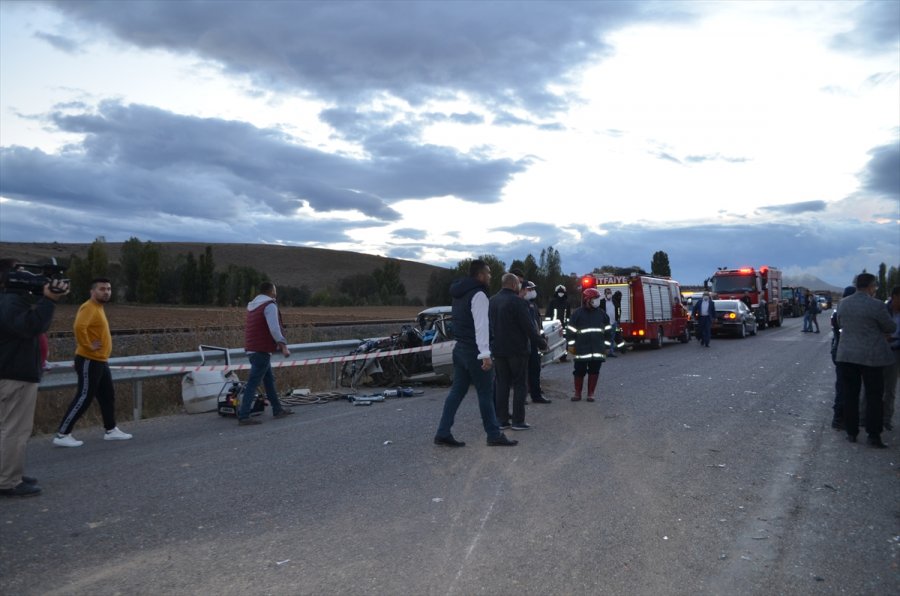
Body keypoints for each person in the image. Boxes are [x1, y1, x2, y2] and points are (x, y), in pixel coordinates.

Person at [0, 260, 69, 496]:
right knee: (14, 430)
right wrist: (49, 300)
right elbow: (33, 326)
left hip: (10, 372)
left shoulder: (9, 301)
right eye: (21, 273)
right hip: (14, 375)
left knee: (7, 428)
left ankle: (9, 473)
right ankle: (8, 481)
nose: (28, 276)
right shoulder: (9, 303)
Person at [434, 260, 517, 447]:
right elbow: (481, 327)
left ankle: (443, 431)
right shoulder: (479, 294)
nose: (490, 276)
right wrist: (485, 354)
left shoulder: (459, 293)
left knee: (456, 392)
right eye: (488, 273)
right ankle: (494, 434)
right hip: (475, 351)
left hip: (460, 349)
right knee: (485, 394)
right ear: (479, 275)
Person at [53, 278, 132, 447]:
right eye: (102, 289)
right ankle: (62, 434)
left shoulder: (98, 307)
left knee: (107, 395)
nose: (106, 292)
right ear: (92, 291)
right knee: (85, 396)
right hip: (89, 360)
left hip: (100, 360)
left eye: (109, 289)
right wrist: (88, 345)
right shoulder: (88, 307)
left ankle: (111, 430)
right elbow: (78, 327)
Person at [835, 273, 896, 448]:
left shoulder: (843, 303)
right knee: (874, 396)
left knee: (850, 395)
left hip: (846, 356)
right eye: (874, 286)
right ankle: (873, 435)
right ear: (871, 287)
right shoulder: (876, 305)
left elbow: (840, 324)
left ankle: (851, 432)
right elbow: (890, 327)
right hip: (872, 357)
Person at [490, 274, 546, 431]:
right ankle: (518, 420)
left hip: (498, 350)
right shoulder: (518, 302)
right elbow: (528, 327)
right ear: (515, 285)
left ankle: (501, 420)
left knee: (502, 385)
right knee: (520, 385)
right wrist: (541, 343)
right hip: (517, 350)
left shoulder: (492, 301)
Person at [237, 282, 294, 425]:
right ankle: (244, 416)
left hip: (253, 349)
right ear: (271, 292)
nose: (276, 293)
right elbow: (274, 329)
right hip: (261, 350)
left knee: (268, 381)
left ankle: (277, 409)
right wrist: (283, 345)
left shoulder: (253, 306)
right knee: (252, 383)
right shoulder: (269, 306)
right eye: (275, 290)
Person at [566, 287, 612, 402]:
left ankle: (591, 393)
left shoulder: (602, 314)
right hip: (581, 349)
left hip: (597, 349)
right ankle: (577, 393)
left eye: (597, 298)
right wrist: (571, 345)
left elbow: (608, 332)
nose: (597, 301)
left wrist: (606, 346)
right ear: (587, 300)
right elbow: (570, 331)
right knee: (579, 371)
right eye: (595, 298)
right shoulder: (577, 314)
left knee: (594, 371)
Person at [829, 286, 856, 430]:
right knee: (845, 386)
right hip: (845, 353)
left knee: (842, 385)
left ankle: (841, 417)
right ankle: (841, 418)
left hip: (839, 352)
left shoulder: (838, 311)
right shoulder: (846, 312)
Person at [521, 281, 551, 404]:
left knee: (535, 369)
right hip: (523, 342)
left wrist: (542, 337)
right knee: (522, 371)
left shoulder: (533, 305)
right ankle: (521, 397)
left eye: (533, 289)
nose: (532, 291)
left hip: (534, 342)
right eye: (530, 289)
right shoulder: (519, 304)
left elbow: (537, 324)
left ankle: (536, 395)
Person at [883, 285, 900, 431]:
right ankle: (865, 417)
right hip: (879, 351)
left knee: (890, 388)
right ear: (894, 297)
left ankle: (886, 418)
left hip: (895, 351)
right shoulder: (882, 310)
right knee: (873, 386)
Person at [546, 284, 571, 362]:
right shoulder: (552, 302)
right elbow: (548, 314)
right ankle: (553, 357)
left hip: (563, 327)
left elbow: (568, 315)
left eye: (562, 292)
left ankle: (563, 357)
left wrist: (568, 325)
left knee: (564, 342)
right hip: (554, 327)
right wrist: (548, 326)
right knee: (553, 342)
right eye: (559, 292)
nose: (561, 293)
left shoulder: (567, 303)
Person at [599, 288, 622, 357]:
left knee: (611, 338)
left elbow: (618, 310)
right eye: (607, 293)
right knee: (604, 338)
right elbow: (599, 312)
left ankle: (610, 352)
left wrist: (617, 319)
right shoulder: (602, 302)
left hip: (613, 323)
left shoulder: (614, 301)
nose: (609, 294)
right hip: (605, 324)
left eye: (610, 292)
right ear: (605, 294)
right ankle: (603, 352)